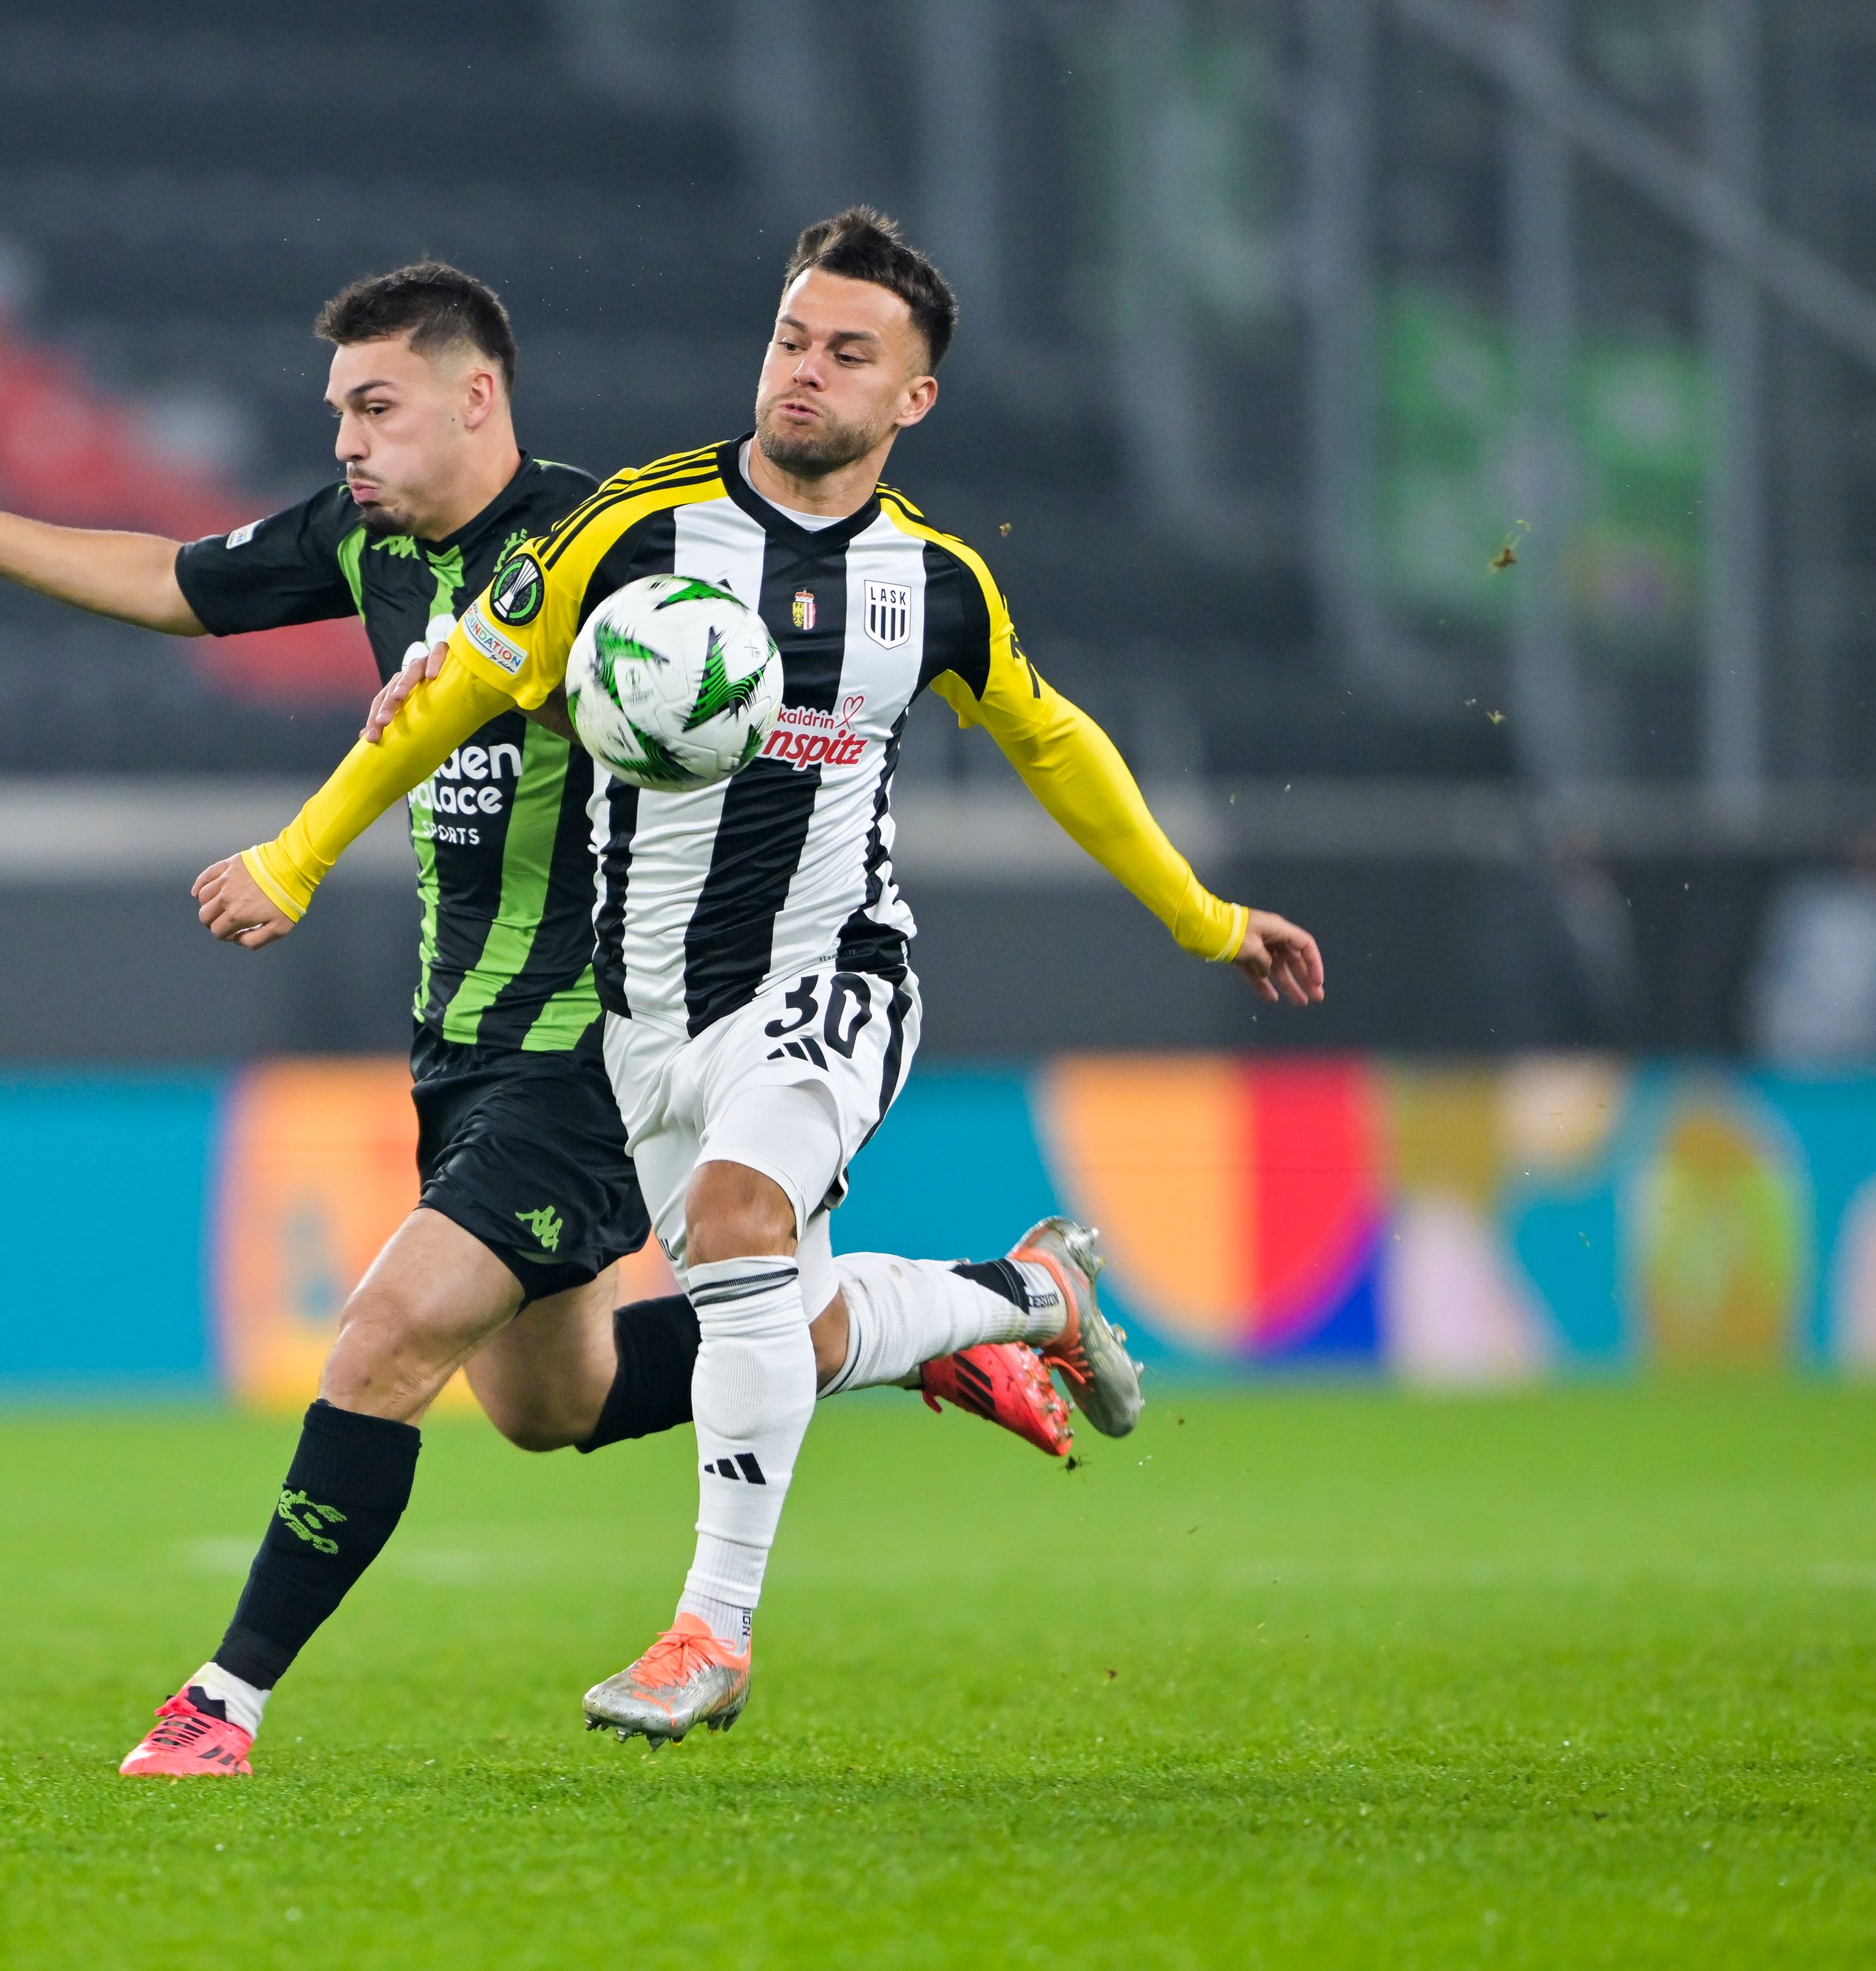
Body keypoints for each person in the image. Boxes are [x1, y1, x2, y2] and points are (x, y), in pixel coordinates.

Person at [0, 263, 1073, 1783]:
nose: (343, 442)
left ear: (475, 397)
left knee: (386, 1333)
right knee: (553, 1401)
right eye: (336, 410)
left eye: (372, 407)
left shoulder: (628, 553)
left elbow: (782, 730)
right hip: (459, 1042)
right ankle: (967, 1308)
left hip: (591, 1040)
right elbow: (171, 580)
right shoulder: (369, 541)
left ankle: (222, 1701)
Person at [196, 208, 1326, 1745]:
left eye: (846, 353)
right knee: (724, 1339)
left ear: (909, 397)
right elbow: (453, 684)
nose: (803, 372)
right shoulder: (631, 532)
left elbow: (1053, 743)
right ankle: (1015, 1295)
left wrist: (1201, 917)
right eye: (790, 339)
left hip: (828, 975)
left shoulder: (934, 584)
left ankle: (704, 1636)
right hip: (642, 1017)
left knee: (734, 1232)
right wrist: (298, 852)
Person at [1744, 828, 1876, 1065]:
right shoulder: (1812, 905)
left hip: (1868, 1059)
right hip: (1793, 1050)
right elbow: (1772, 974)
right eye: (1872, 858)